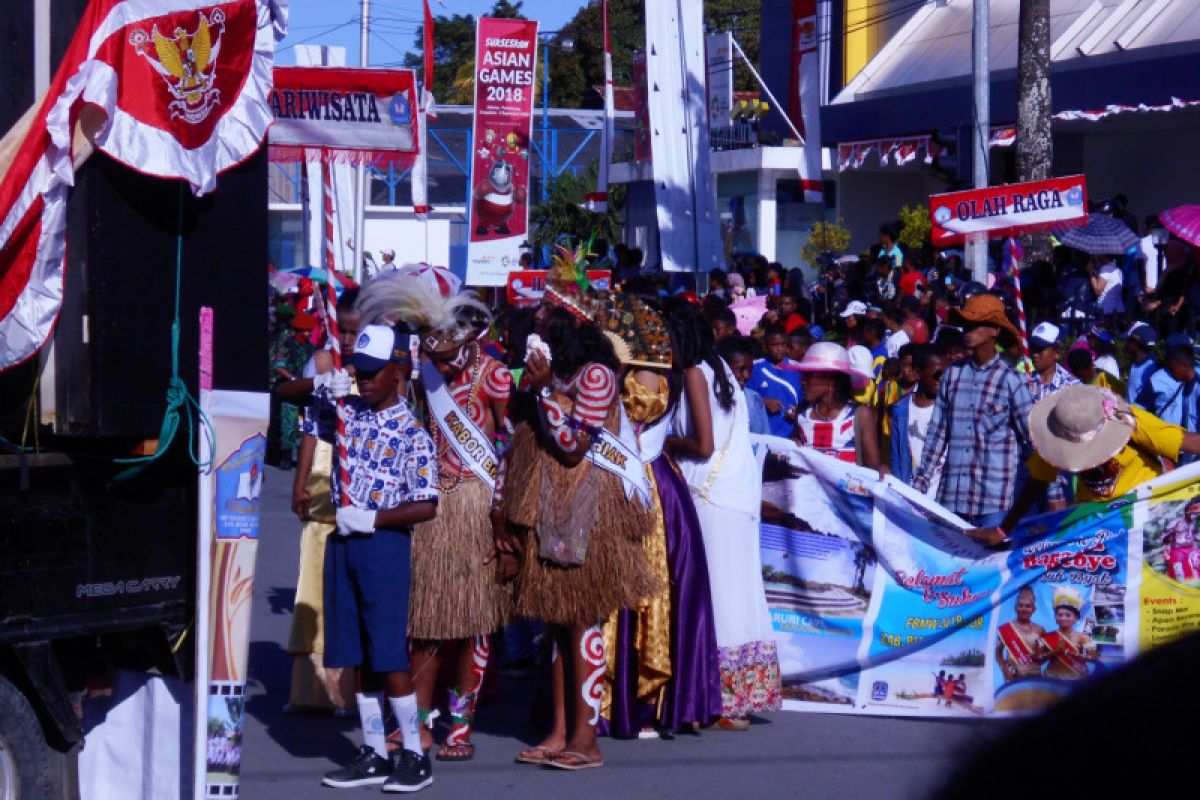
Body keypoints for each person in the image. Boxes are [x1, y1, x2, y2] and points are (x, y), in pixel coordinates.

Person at [500, 263, 656, 771]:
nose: (538, 320)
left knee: (580, 620)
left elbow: (572, 447)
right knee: (557, 624)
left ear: (571, 323)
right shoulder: (561, 371)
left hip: (585, 507)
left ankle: (587, 740)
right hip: (554, 505)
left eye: (546, 313)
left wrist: (544, 392)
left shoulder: (596, 375)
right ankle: (561, 730)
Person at [356, 276, 513, 761]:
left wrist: (505, 522)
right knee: (424, 624)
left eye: (449, 357)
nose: (442, 365)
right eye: (436, 357)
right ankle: (416, 721)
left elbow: (509, 447)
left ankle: (460, 726)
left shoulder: (496, 377)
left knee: (474, 624)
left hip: (476, 507)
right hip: (431, 511)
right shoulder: (423, 374)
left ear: (469, 344)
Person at [316, 324, 440, 792]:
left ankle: (413, 753)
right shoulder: (346, 413)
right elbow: (284, 395)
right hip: (343, 544)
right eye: (358, 372)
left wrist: (372, 519)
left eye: (373, 372)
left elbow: (427, 503)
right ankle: (372, 751)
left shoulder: (412, 432)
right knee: (356, 653)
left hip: (381, 546)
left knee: (387, 654)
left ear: (398, 371)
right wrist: (318, 384)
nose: (363, 380)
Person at [671, 310, 781, 729]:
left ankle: (722, 699)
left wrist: (662, 440)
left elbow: (702, 445)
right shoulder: (717, 370)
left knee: (718, 596)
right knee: (736, 593)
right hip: (731, 495)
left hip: (712, 494)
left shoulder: (698, 373)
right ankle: (732, 695)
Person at [967, 384, 1200, 548]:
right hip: (1090, 528)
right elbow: (1036, 481)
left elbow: (1188, 442)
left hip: (1144, 523)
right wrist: (1003, 530)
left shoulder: (1131, 421)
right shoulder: (1056, 432)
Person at [276, 288, 362, 716]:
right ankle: (309, 686)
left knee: (351, 577)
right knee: (313, 571)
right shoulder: (324, 363)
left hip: (362, 469)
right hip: (324, 465)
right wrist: (300, 483)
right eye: (342, 331)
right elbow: (306, 418)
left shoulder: (383, 363)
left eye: (355, 331)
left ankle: (349, 687)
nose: (347, 340)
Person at [911, 294, 1035, 528]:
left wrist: (1042, 494)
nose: (967, 330)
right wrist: (919, 486)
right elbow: (937, 435)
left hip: (995, 502)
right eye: (965, 325)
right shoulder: (952, 376)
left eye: (975, 324)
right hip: (952, 498)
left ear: (994, 331)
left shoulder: (1012, 381)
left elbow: (1032, 442)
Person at [791, 342, 883, 470]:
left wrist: (882, 470)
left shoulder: (860, 415)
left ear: (830, 379)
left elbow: (873, 465)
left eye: (809, 375)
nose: (802, 381)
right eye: (803, 375)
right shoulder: (801, 413)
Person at [888, 344, 945, 487]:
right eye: (937, 375)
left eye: (946, 375)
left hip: (939, 494)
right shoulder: (900, 409)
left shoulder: (949, 410)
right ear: (918, 373)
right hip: (909, 489)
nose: (942, 380)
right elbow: (896, 456)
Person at [750, 324, 802, 437]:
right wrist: (763, 401)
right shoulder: (755, 368)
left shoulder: (798, 369)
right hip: (764, 434)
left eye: (782, 344)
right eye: (774, 345)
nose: (779, 349)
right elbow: (744, 398)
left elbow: (806, 401)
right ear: (766, 346)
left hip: (791, 434)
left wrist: (798, 411)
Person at [1142, 335, 1198, 439]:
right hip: (1167, 445)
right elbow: (1140, 408)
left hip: (1192, 449)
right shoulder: (1158, 379)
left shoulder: (1196, 382)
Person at [1039, 587, 1097, 681]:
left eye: (1068, 615)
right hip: (1051, 679)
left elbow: (1094, 658)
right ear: (1055, 617)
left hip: (1077, 680)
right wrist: (1056, 651)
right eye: (1060, 615)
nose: (1063, 618)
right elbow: (1039, 660)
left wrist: (1074, 654)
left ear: (1076, 618)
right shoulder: (1047, 637)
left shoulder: (1083, 638)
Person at [719, 336, 770, 436]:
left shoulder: (755, 399)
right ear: (724, 367)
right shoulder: (711, 400)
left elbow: (765, 438)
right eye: (741, 369)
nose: (747, 375)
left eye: (750, 369)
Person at [995, 587, 1046, 683]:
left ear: (1033, 609)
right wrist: (1005, 671)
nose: (1024, 609)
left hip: (1034, 677)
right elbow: (998, 652)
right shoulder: (1006, 628)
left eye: (1027, 606)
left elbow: (1043, 654)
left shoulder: (1040, 630)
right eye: (1021, 605)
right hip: (1012, 676)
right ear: (1015, 608)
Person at [1025, 322, 1077, 403]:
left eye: (1040, 349)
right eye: (1033, 348)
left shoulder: (1072, 386)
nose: (1035, 354)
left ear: (1057, 353)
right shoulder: (1024, 380)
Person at [1125, 322, 1160, 406]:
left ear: (1135, 344)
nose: (1125, 343)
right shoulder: (1137, 362)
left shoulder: (1150, 371)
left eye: (1128, 340)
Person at [1088, 254, 1124, 320]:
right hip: (1118, 309)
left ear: (1104, 255)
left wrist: (1091, 272)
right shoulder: (1118, 270)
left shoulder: (1106, 268)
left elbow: (1097, 290)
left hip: (1107, 311)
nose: (1097, 256)